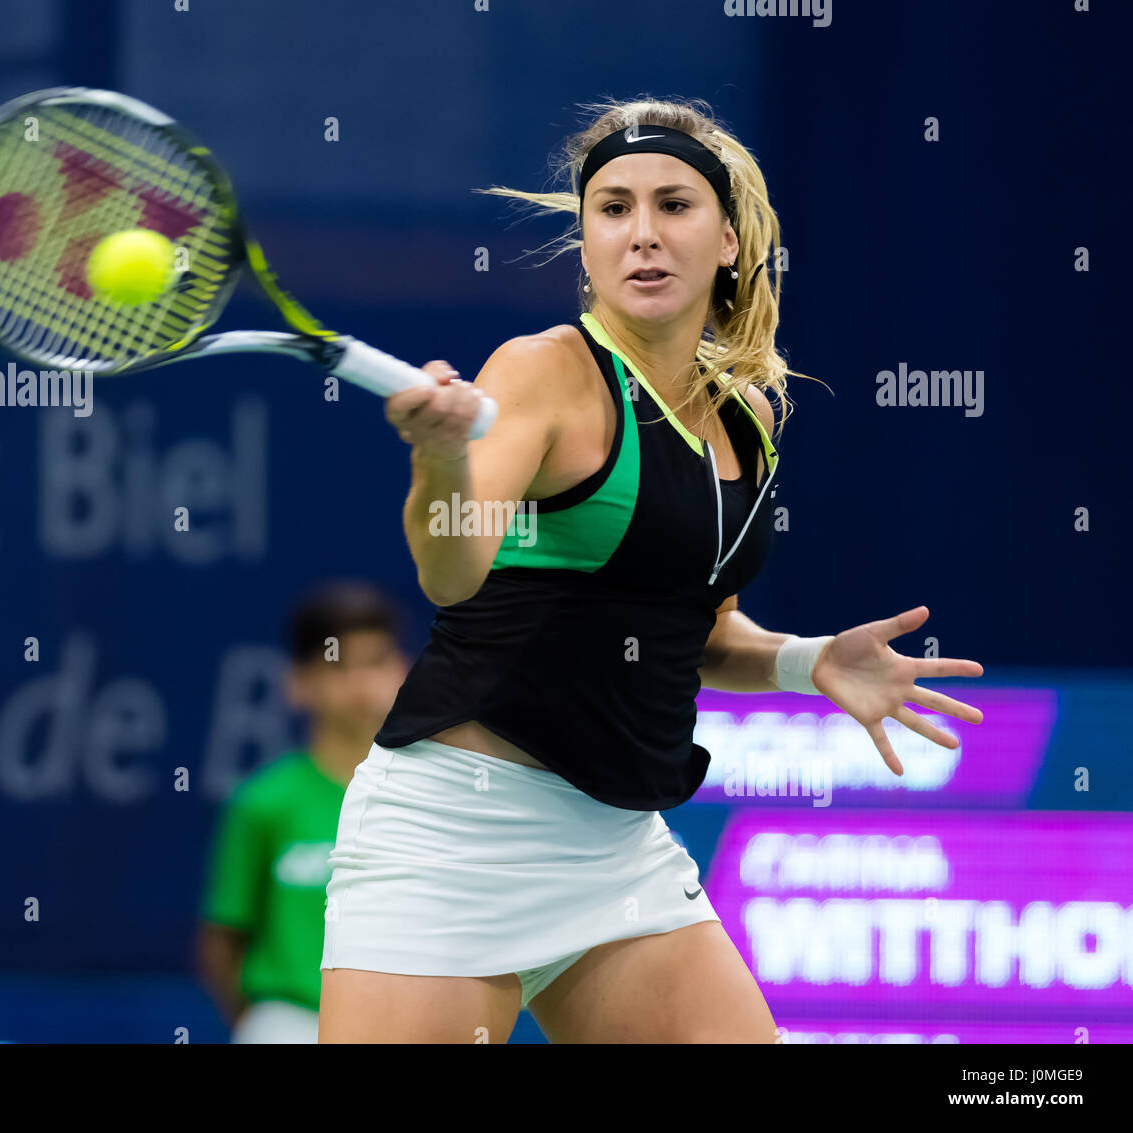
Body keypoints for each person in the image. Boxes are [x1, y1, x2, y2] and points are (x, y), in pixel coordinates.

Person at [319, 97, 985, 1044]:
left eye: (673, 205)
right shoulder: (543, 370)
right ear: (585, 243)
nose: (642, 235)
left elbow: (695, 628)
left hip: (615, 848)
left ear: (727, 239)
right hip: (454, 841)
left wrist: (808, 660)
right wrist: (439, 459)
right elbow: (450, 570)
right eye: (613, 209)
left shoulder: (746, 412)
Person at [197, 581, 408, 1043]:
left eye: (375, 662)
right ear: (298, 683)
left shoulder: (429, 800)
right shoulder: (263, 802)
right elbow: (221, 941)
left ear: (402, 670)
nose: (360, 683)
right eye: (338, 665)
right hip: (288, 1020)